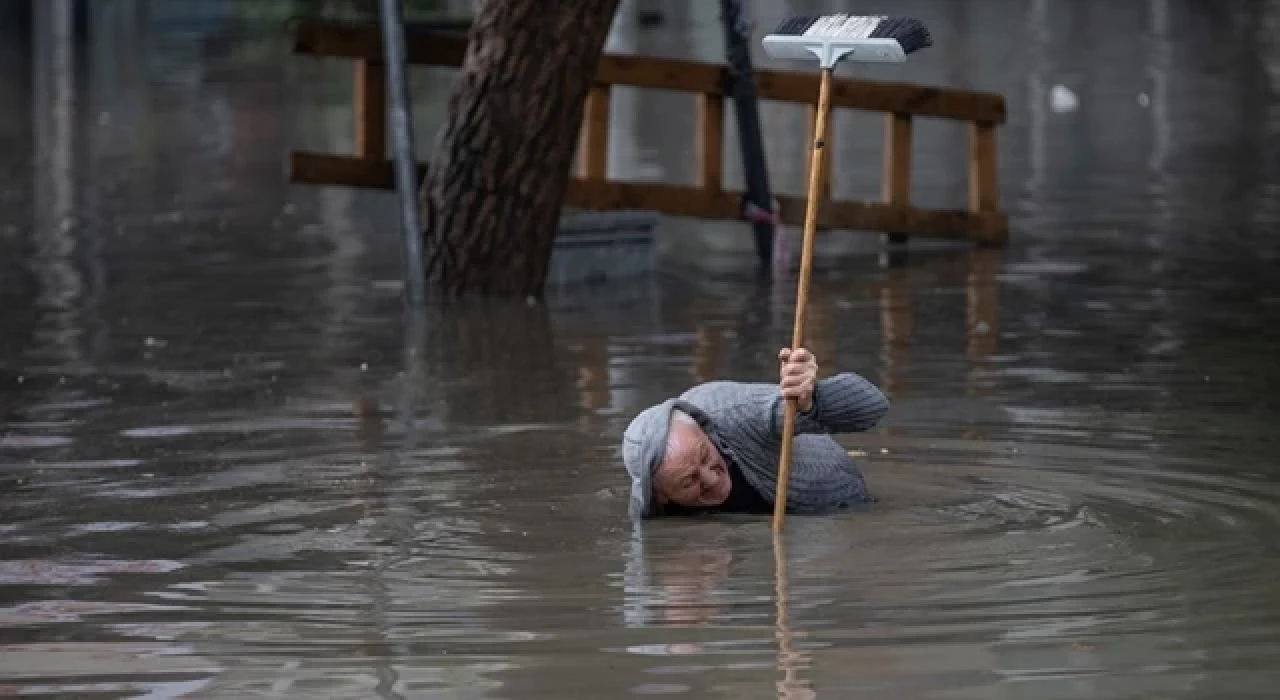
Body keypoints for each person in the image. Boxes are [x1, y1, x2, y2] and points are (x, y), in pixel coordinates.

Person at [621, 347, 889, 518]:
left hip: (835, 501)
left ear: (703, 429)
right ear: (660, 495)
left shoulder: (739, 411)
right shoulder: (649, 500)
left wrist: (814, 400)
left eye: (704, 456)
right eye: (688, 482)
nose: (711, 479)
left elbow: (875, 407)